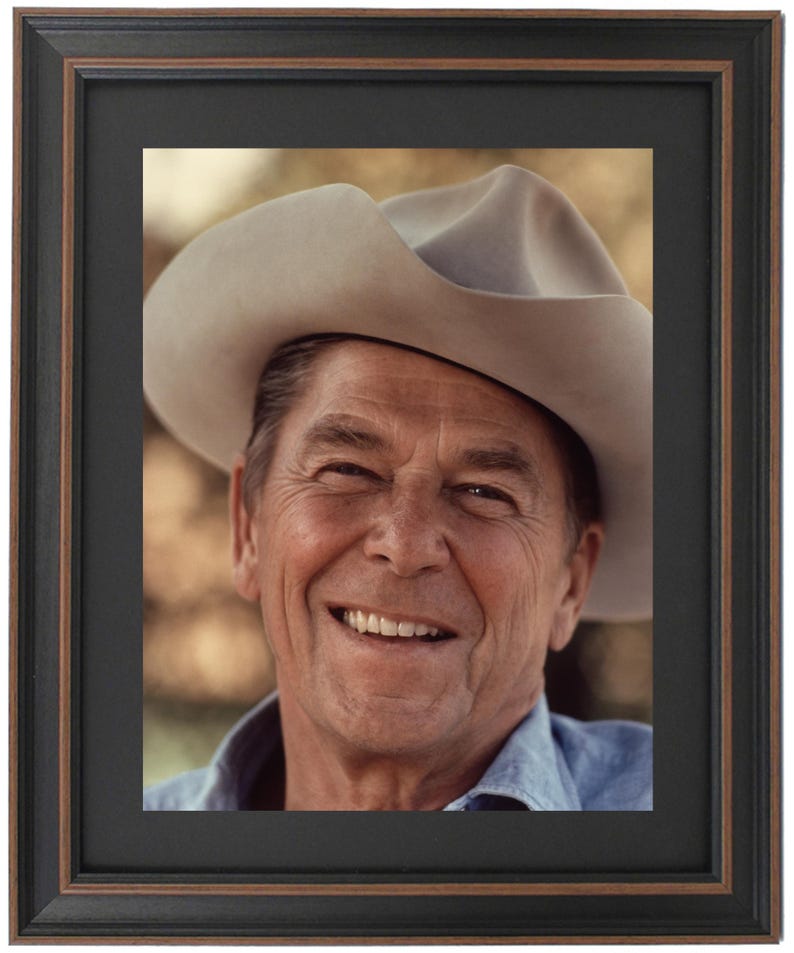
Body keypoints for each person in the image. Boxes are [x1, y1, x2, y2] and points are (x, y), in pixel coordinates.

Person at [142, 164, 652, 811]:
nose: (405, 545)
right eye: (348, 472)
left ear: (571, 581)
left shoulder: (717, 833)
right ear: (247, 528)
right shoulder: (107, 873)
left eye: (485, 491)